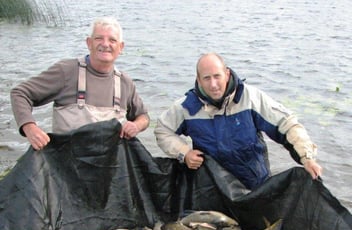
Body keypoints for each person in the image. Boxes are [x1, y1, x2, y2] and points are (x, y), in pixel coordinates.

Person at [154, 52, 323, 190]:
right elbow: (163, 129)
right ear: (198, 80)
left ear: (227, 74)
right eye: (206, 78)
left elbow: (287, 124)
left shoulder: (251, 99)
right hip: (211, 185)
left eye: (217, 76)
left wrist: (306, 157)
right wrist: (185, 152)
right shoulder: (187, 107)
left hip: (254, 183)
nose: (213, 84)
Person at [10, 17, 149, 151]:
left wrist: (136, 126)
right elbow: (20, 93)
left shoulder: (125, 82)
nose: (105, 44)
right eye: (99, 38)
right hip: (66, 165)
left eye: (112, 40)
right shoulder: (66, 71)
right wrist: (29, 127)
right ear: (89, 43)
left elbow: (143, 117)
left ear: (120, 47)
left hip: (108, 167)